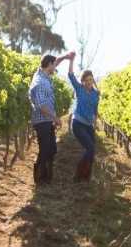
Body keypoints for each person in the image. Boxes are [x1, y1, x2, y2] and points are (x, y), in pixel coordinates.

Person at [29, 53, 72, 185]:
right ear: (49, 65)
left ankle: (47, 176)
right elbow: (41, 106)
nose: (55, 67)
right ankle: (40, 177)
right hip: (42, 121)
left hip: (46, 120)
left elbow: (54, 62)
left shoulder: (43, 74)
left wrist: (64, 57)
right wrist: (55, 118)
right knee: (46, 149)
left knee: (51, 149)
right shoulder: (40, 82)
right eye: (54, 65)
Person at [67, 52, 100, 181]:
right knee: (90, 148)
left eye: (91, 80)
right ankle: (77, 174)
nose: (89, 82)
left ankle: (86, 177)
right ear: (82, 81)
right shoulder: (79, 89)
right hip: (78, 123)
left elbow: (95, 110)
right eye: (86, 80)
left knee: (92, 151)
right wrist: (71, 60)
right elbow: (70, 75)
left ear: (93, 80)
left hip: (89, 125)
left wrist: (95, 123)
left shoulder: (96, 94)